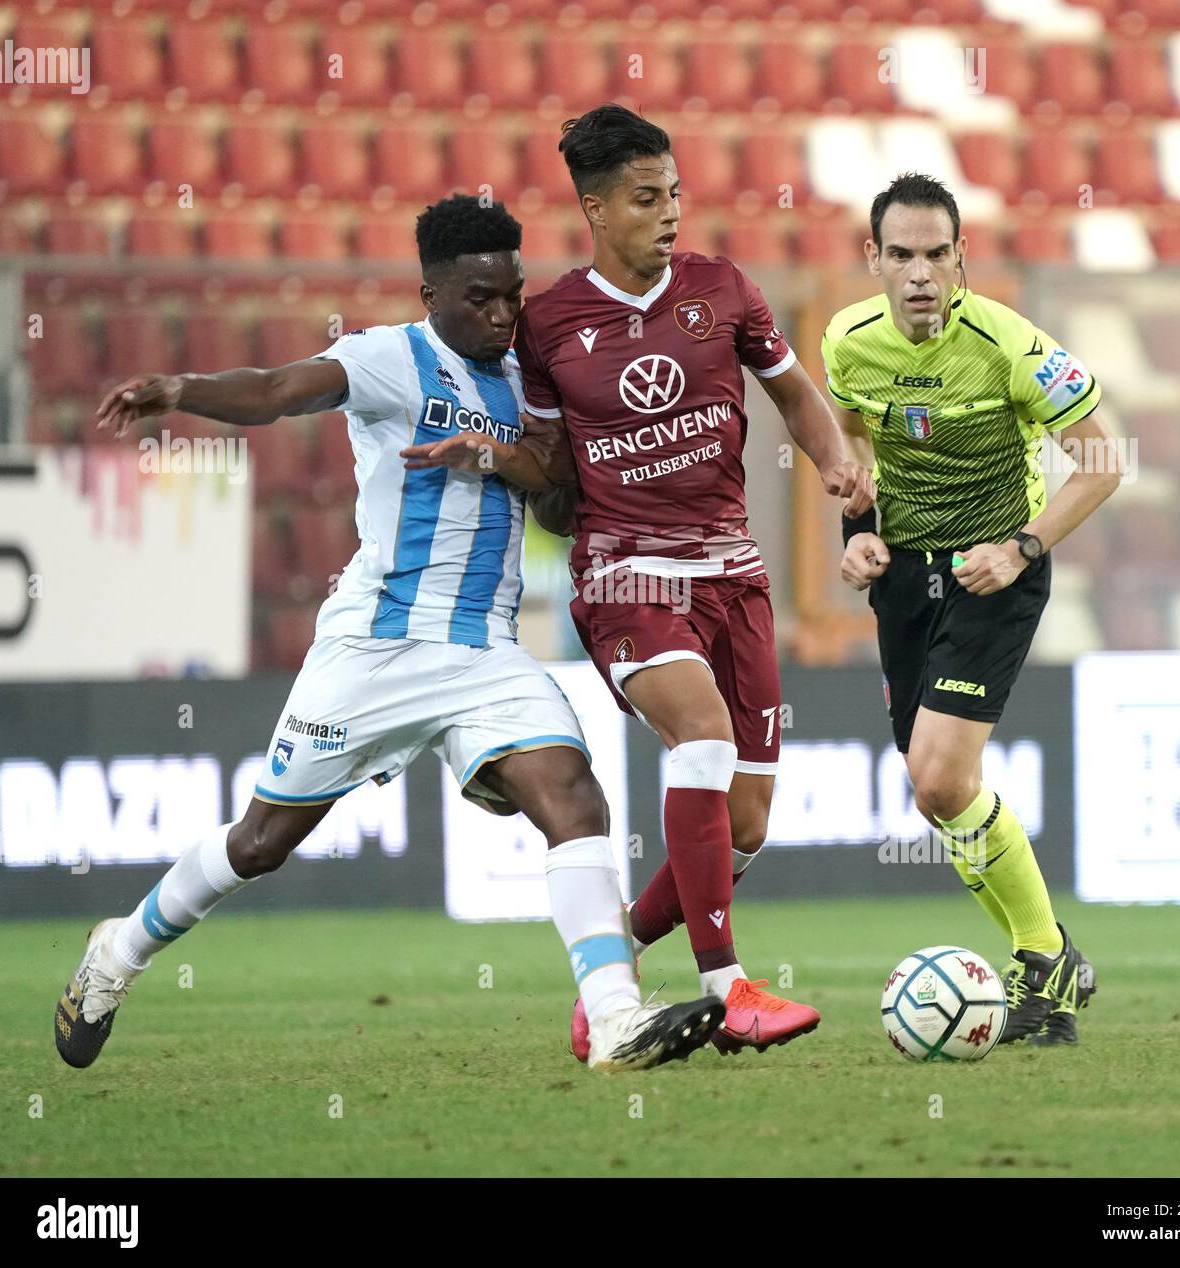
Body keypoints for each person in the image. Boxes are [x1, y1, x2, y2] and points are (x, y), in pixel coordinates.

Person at [54, 195, 724, 1075]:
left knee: (576, 797)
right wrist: (181, 390)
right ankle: (117, 951)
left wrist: (494, 455)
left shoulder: (531, 377)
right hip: (375, 647)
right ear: (431, 294)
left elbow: (561, 502)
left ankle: (613, 1021)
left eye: (512, 296)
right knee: (261, 843)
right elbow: (275, 391)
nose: (500, 315)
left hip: (484, 652)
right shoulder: (388, 360)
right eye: (480, 298)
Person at [409, 105, 872, 1058]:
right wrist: (497, 457)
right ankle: (727, 984)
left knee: (744, 826)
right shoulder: (548, 325)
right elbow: (545, 466)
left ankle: (606, 971)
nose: (670, 213)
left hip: (733, 577)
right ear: (595, 209)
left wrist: (835, 464)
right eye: (646, 198)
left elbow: (792, 392)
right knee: (699, 734)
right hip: (625, 577)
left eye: (675, 194)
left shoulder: (724, 289)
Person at [821, 172, 1120, 1044]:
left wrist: (1022, 546)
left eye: (937, 255)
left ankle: (1045, 957)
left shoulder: (1013, 347)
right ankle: (1049, 957)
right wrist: (862, 529)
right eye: (902, 255)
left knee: (944, 778)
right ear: (873, 258)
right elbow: (851, 440)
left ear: (962, 260)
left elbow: (1102, 463)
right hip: (905, 579)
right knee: (932, 792)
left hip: (996, 571)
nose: (920, 274)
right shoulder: (846, 342)